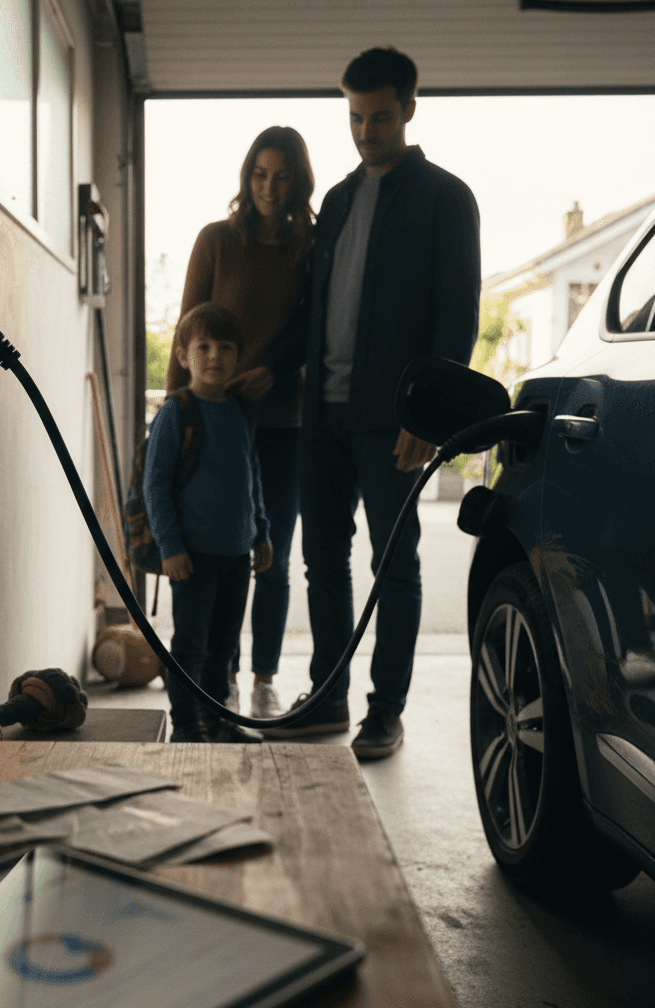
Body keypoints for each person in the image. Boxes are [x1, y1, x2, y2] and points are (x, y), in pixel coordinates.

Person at [262, 47, 481, 758]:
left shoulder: (447, 198)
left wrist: (431, 415)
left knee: (396, 565)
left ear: (409, 109)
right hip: (320, 421)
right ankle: (327, 698)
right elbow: (314, 307)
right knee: (322, 563)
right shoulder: (339, 200)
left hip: (394, 425)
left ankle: (385, 710)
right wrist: (265, 367)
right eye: (355, 116)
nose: (365, 131)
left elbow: (458, 315)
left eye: (379, 116)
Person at [166, 126, 314, 720]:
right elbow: (187, 328)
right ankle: (214, 677)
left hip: (280, 424)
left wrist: (274, 373)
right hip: (210, 422)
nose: (269, 187)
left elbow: (310, 329)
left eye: (281, 176)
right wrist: (175, 420)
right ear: (245, 178)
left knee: (268, 551)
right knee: (210, 552)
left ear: (298, 182)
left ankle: (263, 678)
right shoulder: (217, 242)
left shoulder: (310, 249)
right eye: (259, 174)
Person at [146, 302, 274, 743]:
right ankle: (186, 724)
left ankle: (218, 720)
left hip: (238, 554)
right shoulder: (176, 413)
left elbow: (251, 475)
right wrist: (170, 547)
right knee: (189, 645)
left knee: (224, 647)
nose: (215, 356)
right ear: (184, 356)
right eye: (203, 347)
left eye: (225, 347)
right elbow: (156, 484)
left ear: (239, 357)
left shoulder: (240, 411)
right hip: (193, 556)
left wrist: (263, 533)